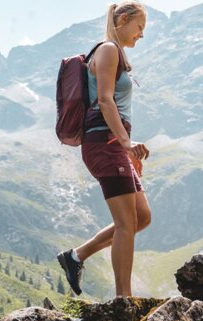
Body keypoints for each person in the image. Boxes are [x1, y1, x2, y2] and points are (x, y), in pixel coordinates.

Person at [57, 2, 151, 299]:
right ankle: (124, 299)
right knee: (127, 223)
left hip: (114, 144)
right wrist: (126, 144)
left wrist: (128, 151)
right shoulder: (109, 49)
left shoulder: (116, 53)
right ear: (123, 20)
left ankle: (76, 256)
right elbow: (106, 100)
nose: (141, 35)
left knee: (142, 216)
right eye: (140, 28)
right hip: (104, 143)